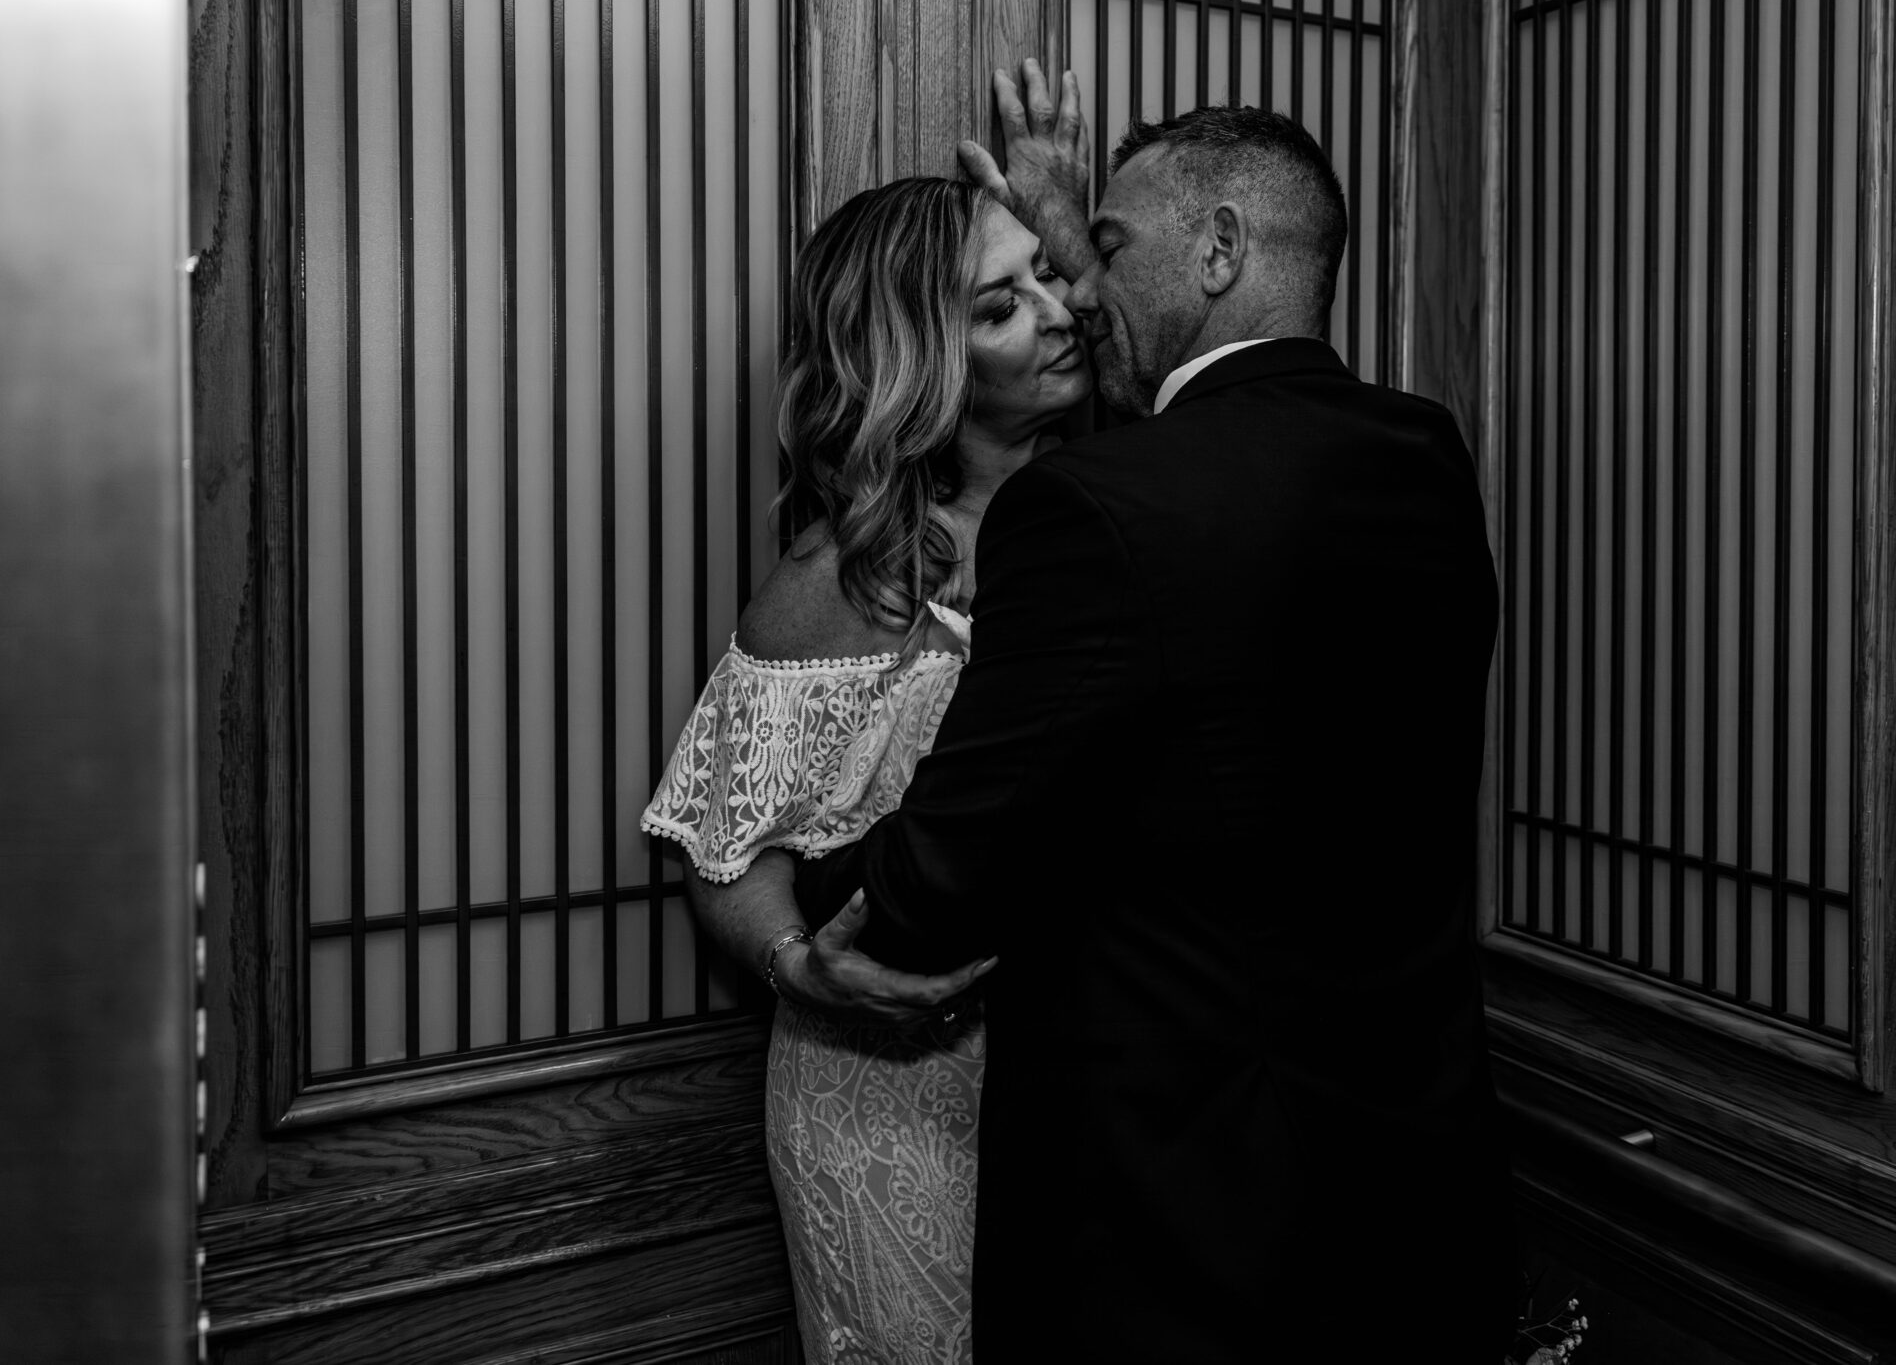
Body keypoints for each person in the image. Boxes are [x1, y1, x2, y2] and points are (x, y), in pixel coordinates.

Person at [793, 67, 1517, 1362]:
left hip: (1182, 1210)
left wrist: (835, 931)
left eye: (1102, 254)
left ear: (1222, 248)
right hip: (1404, 1173)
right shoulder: (1424, 454)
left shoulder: (1092, 510)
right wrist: (1087, 233)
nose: (1079, 292)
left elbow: (948, 871)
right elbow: (1221, 500)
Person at [639, 174, 1089, 1364]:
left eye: (1050, 275)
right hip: (893, 1096)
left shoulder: (1111, 517)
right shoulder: (846, 581)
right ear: (923, 361)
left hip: (1088, 1085)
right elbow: (719, 841)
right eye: (1002, 303)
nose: (1059, 311)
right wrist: (806, 971)